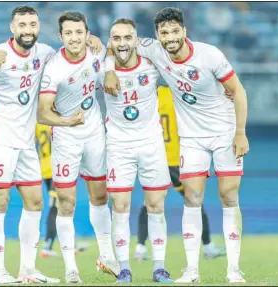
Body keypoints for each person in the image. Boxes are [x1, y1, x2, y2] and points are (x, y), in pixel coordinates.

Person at [104, 7, 250, 284]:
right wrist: (110, 69)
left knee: (229, 198)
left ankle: (233, 270)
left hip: (224, 133)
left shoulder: (210, 55)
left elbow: (239, 90)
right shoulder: (154, 49)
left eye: (174, 31)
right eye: (164, 32)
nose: (169, 37)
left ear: (184, 31)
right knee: (192, 199)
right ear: (157, 34)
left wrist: (240, 133)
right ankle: (191, 270)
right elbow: (116, 43)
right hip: (191, 138)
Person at [0, 5, 60, 285]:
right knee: (0, 202)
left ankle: (28, 270)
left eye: (32, 24)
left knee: (35, 202)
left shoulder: (44, 53)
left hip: (26, 141)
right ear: (12, 28)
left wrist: (91, 40)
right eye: (22, 25)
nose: (28, 30)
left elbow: (70, 58)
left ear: (38, 26)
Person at [37, 11, 118, 283]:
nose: (74, 38)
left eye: (79, 32)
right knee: (66, 203)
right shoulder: (54, 68)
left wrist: (107, 70)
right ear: (61, 36)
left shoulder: (97, 53)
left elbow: (110, 50)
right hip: (65, 137)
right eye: (68, 33)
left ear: (86, 34)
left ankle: (106, 257)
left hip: (95, 133)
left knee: (100, 197)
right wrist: (65, 121)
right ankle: (71, 267)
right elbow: (42, 113)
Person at [102, 18, 174, 283]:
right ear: (111, 41)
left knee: (156, 205)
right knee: (119, 206)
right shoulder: (101, 66)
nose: (122, 43)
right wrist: (108, 67)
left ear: (136, 40)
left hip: (151, 143)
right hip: (118, 146)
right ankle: (124, 268)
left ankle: (159, 268)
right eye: (116, 38)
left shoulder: (151, 64)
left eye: (127, 37)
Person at [135, 85, 226, 261]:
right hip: (176, 160)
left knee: (149, 204)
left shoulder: (146, 98)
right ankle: (208, 246)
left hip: (154, 160)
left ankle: (140, 248)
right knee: (194, 202)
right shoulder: (176, 95)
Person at [35, 123, 88, 258]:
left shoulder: (39, 123)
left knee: (62, 206)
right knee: (56, 206)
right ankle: (48, 245)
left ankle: (71, 244)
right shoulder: (58, 121)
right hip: (57, 168)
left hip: (45, 168)